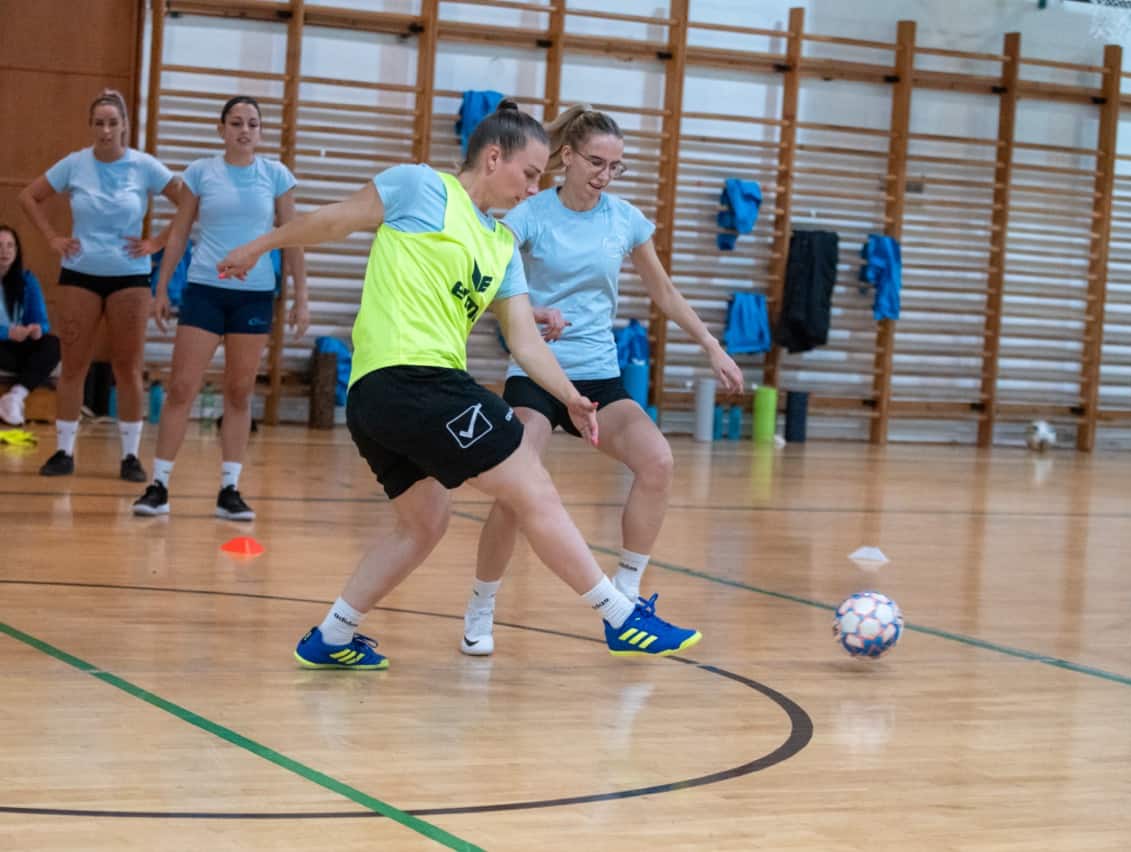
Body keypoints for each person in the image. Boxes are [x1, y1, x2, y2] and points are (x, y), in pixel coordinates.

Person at [217, 100, 702, 669]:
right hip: (413, 380)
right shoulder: (422, 189)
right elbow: (333, 219)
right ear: (493, 157)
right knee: (532, 485)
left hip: (379, 402)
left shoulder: (500, 247)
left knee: (425, 522)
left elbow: (524, 339)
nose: (530, 190)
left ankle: (331, 635)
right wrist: (258, 246)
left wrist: (569, 395)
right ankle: (621, 617)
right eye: (527, 175)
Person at [460, 105, 744, 655]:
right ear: (566, 156)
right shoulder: (528, 214)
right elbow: (488, 288)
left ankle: (627, 598)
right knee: (516, 487)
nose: (605, 175)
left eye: (617, 166)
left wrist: (712, 345)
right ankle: (481, 604)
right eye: (596, 162)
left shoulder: (625, 219)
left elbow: (663, 292)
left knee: (658, 461)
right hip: (539, 376)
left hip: (601, 376)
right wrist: (534, 312)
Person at [132, 96, 308, 521]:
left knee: (239, 391)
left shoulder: (276, 176)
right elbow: (177, 234)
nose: (244, 130)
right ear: (221, 129)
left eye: (252, 123)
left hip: (254, 294)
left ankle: (230, 488)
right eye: (235, 122)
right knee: (181, 387)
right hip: (205, 290)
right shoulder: (200, 173)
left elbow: (293, 236)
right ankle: (159, 484)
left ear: (260, 131)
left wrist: (301, 295)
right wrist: (160, 289)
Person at [18, 89, 183, 480]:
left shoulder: (144, 166)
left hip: (130, 277)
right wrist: (53, 238)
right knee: (73, 365)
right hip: (80, 273)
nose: (106, 130)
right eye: (99, 122)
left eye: (112, 122)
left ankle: (130, 456)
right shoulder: (75, 164)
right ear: (91, 126)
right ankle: (63, 451)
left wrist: (157, 242)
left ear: (124, 125)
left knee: (128, 367)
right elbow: (30, 197)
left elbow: (188, 201)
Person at [0, 226, 61, 426]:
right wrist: (6, 332)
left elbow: (42, 321)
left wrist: (36, 330)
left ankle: (15, 396)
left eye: (10, 246)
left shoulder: (27, 280)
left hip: (17, 346)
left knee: (53, 344)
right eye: (0, 246)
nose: (5, 251)